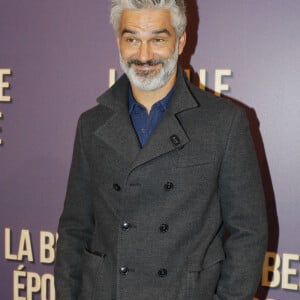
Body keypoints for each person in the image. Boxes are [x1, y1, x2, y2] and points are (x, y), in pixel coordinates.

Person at [54, 1, 268, 299]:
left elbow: (249, 232)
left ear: (180, 41)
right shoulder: (92, 124)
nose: (143, 55)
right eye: (132, 40)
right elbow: (74, 228)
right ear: (119, 42)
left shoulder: (224, 123)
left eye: (157, 39)